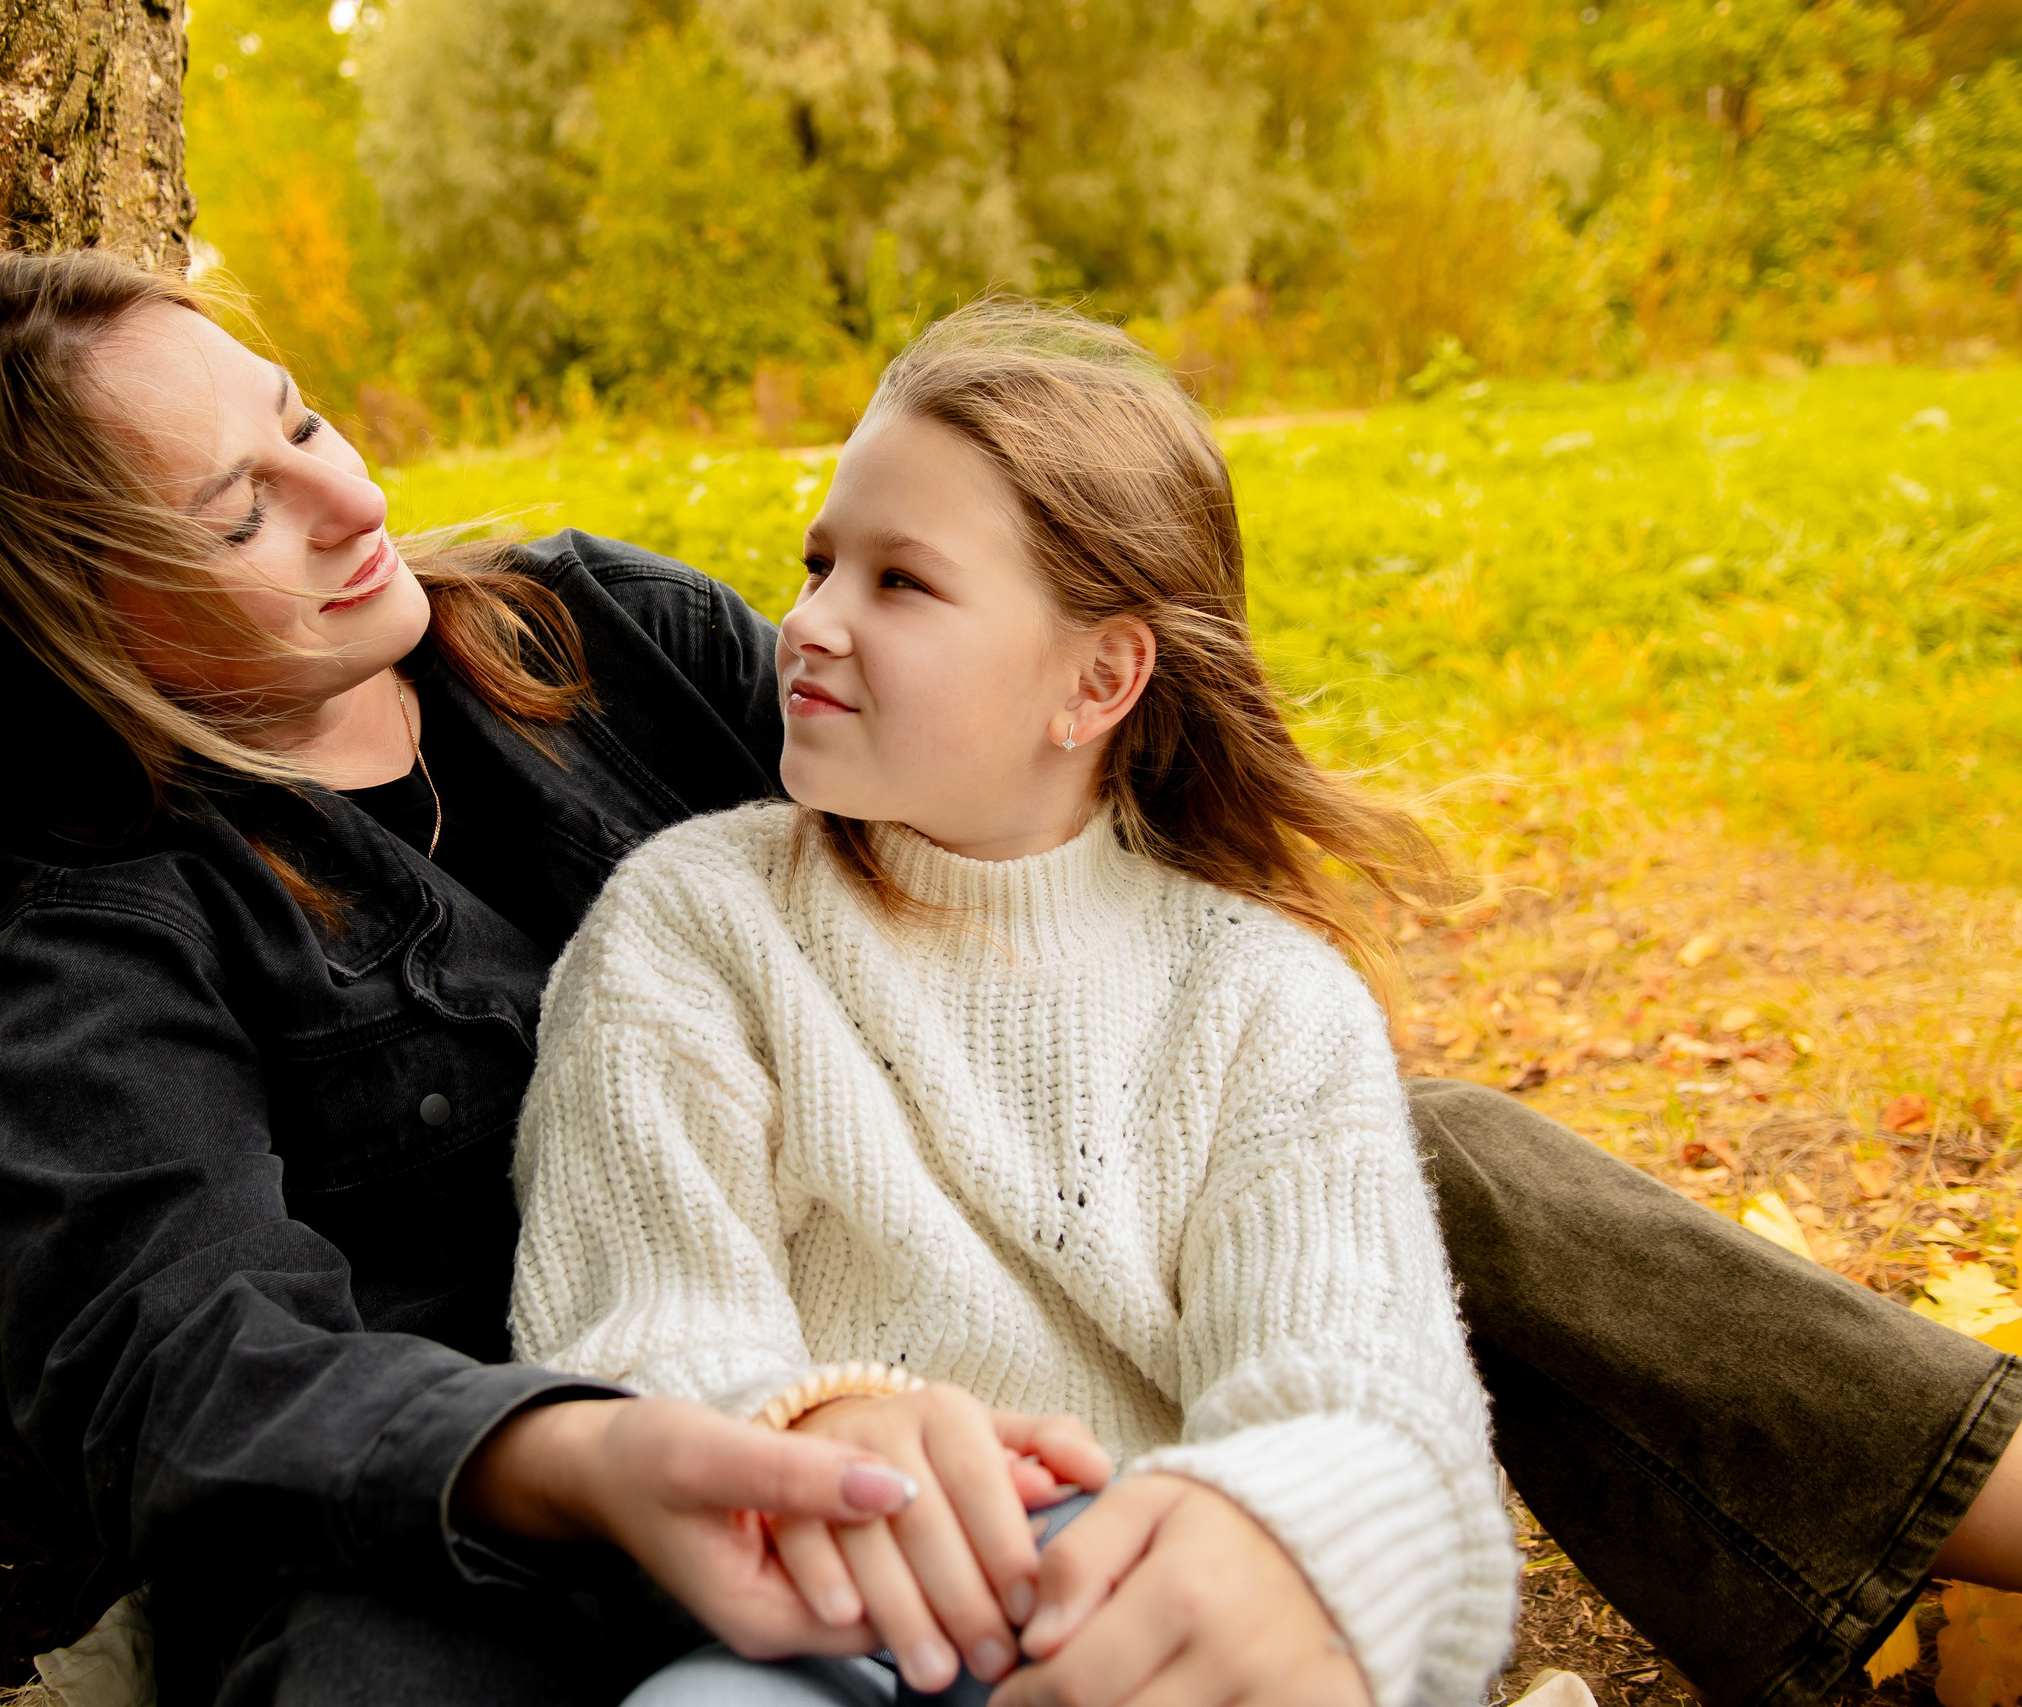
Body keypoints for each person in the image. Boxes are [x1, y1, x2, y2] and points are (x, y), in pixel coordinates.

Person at [0, 245, 2022, 1707]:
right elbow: (177, 1354)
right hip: (516, 1489)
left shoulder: (583, 635)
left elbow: (963, 792)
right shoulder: (99, 928)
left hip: (884, 1310)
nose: (338, 503)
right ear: (91, 609)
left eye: (303, 420)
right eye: (231, 518)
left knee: (1415, 1160)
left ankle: (1971, 1503)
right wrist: (595, 1452)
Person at [509, 302, 1514, 1707]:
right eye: (817, 563)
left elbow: (1366, 1389)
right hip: (825, 1624)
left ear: (1097, 679)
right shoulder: (691, 925)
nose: (807, 624)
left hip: (1137, 1626)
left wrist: (1285, 1542)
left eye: (900, 583)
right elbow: (630, 1333)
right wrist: (816, 1424)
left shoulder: (1266, 997)